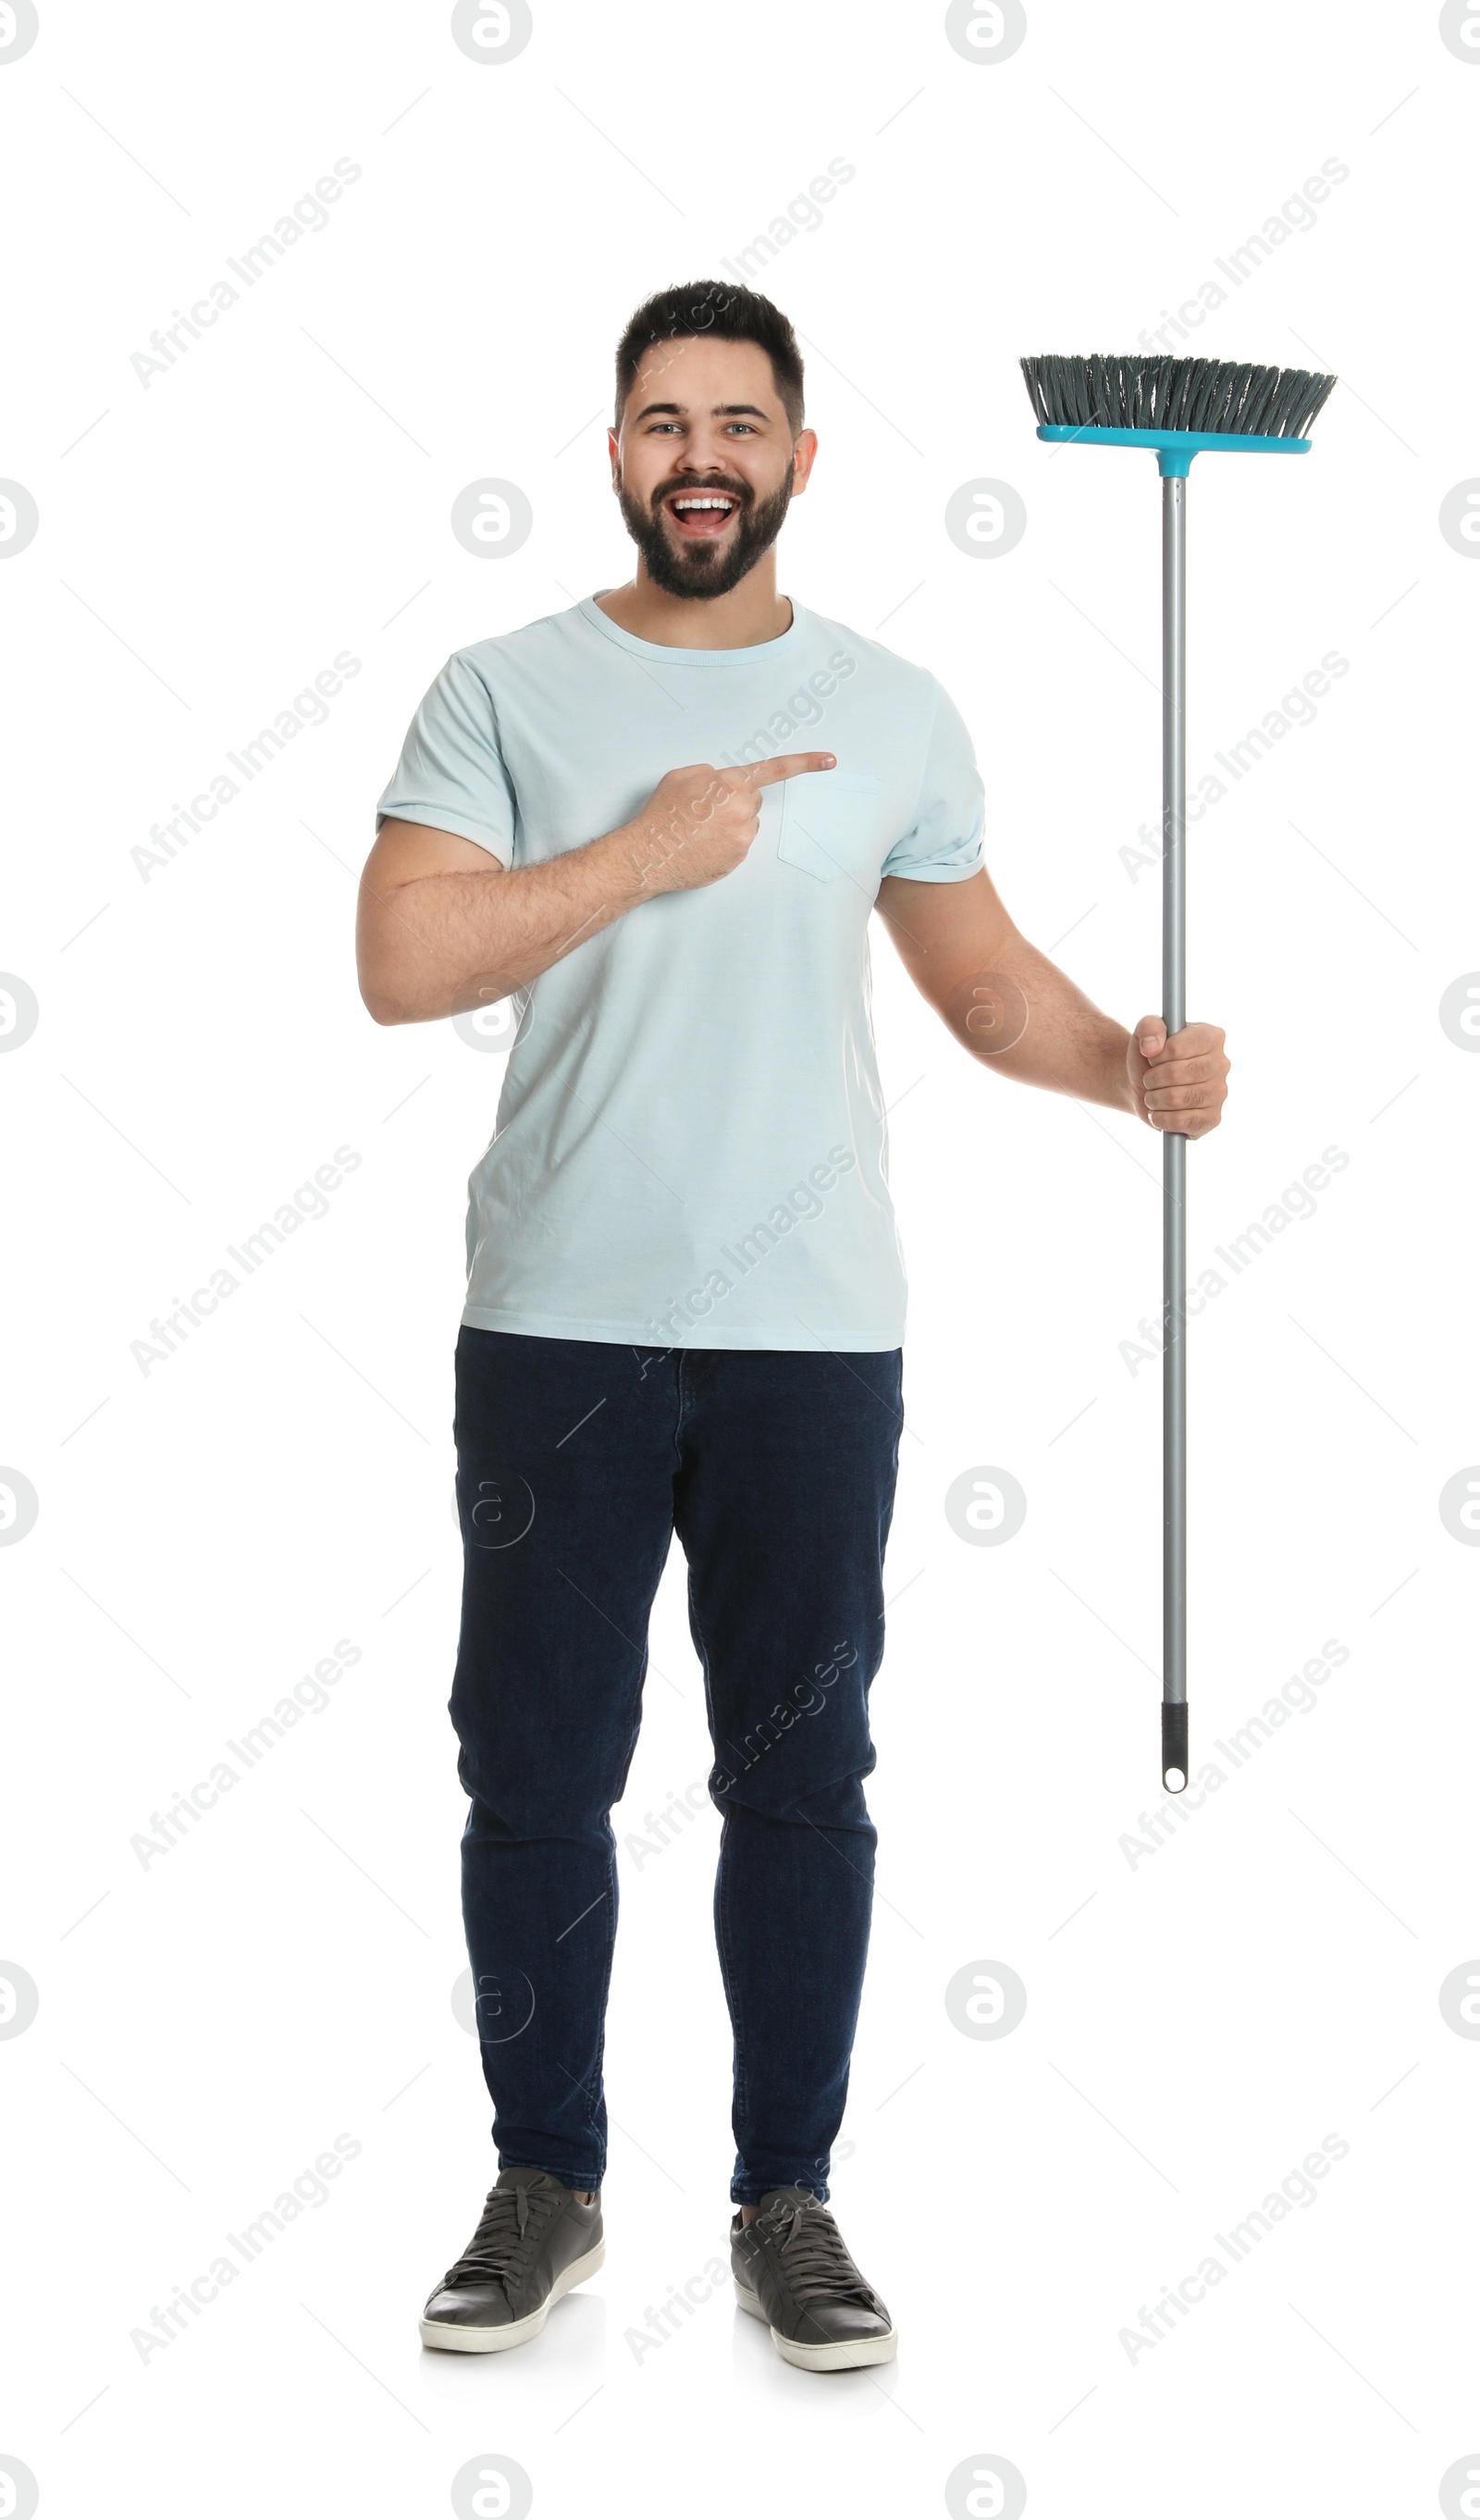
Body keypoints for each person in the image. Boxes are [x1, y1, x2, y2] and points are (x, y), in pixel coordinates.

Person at [356, 280, 1229, 2374]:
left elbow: (978, 985)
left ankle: (787, 2203)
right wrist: (640, 856)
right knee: (534, 1771)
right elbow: (402, 960)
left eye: (735, 423)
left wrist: (1122, 1063)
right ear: (615, 453)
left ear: (798, 459)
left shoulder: (894, 707)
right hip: (557, 1321)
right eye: (661, 421)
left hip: (812, 1339)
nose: (697, 457)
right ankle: (544, 2181)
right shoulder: (500, 686)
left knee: (801, 1774)